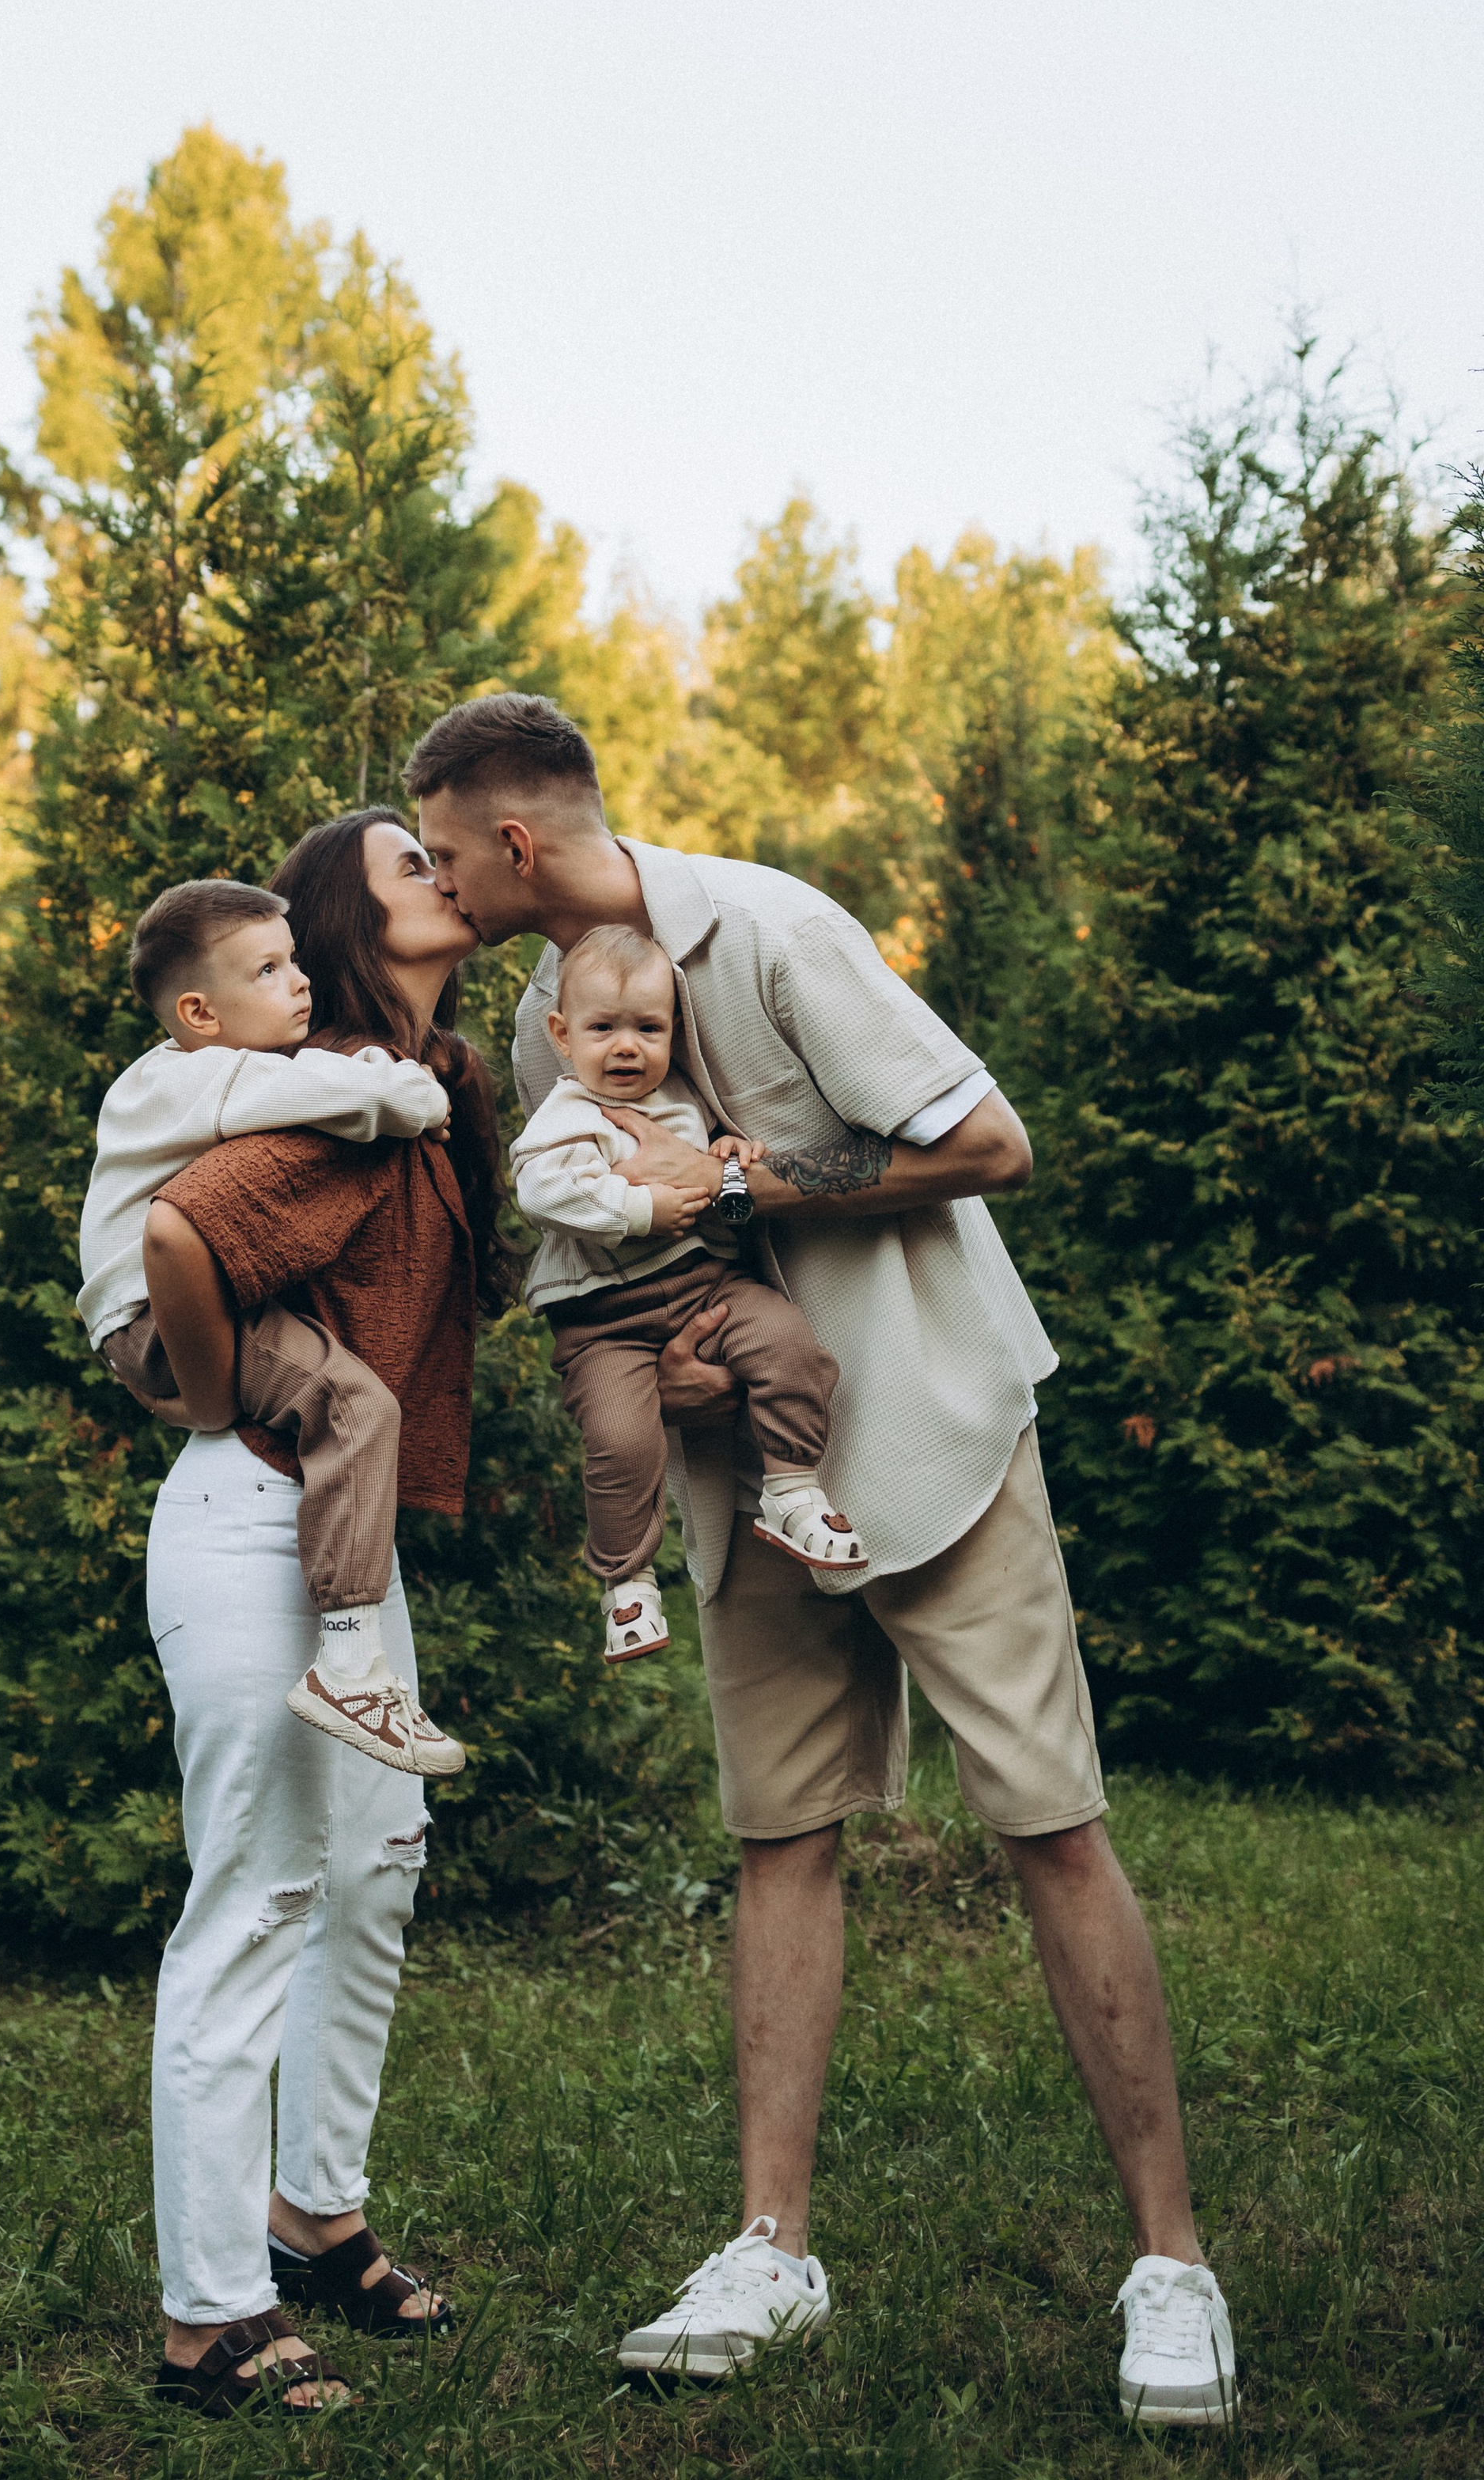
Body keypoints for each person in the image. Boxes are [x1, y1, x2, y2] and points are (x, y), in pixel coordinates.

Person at [407, 693, 1239, 2433]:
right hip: (743, 1484)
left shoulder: (773, 930)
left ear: (507, 842)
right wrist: (667, 1372)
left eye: (431, 850)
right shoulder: (541, 1012)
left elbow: (987, 1142)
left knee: (1047, 1825)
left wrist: (750, 1188)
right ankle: (769, 2248)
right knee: (777, 1841)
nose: (422, 884)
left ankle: (1169, 2268)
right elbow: (585, 1271)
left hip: (927, 1442)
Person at [112, 808, 508, 2417]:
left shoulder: (420, 1089)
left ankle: (311, 2215)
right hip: (249, 1520)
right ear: (352, 921)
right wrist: (212, 1403)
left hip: (335, 1542)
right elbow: (173, 1233)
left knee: (373, 1867)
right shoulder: (320, 1094)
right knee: (259, 1893)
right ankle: (206, 2317)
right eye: (410, 861)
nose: (443, 872)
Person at [78, 874, 465, 1766]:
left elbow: (324, 1084)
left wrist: (374, 1074)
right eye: (266, 971)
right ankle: (346, 1663)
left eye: (294, 963)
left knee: (353, 1404)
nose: (299, 984)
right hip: (153, 1319)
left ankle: (353, 1657)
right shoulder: (195, 1080)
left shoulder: (210, 1077)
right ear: (200, 1013)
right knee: (357, 1407)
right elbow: (365, 1102)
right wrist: (413, 1093)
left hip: (155, 1314)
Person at [512, 921, 857, 1667]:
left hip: (709, 1287)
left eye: (648, 1027)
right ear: (562, 1034)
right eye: (604, 1028)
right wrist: (640, 1209)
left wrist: (729, 1153)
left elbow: (714, 1162)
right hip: (603, 1320)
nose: (627, 1046)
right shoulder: (569, 1116)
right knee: (620, 1440)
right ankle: (627, 1583)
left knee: (791, 1344)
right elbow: (543, 1193)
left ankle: (792, 1488)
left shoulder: (685, 1100)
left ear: (676, 1032)